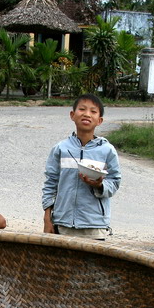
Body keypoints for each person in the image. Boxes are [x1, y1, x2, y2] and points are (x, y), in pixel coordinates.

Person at [42, 94, 121, 240]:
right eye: (82, 109)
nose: (87, 114)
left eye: (93, 111)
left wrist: (100, 185)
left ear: (100, 120)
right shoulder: (61, 149)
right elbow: (50, 184)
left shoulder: (107, 150)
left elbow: (115, 182)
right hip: (63, 224)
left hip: (94, 225)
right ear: (72, 115)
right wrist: (47, 218)